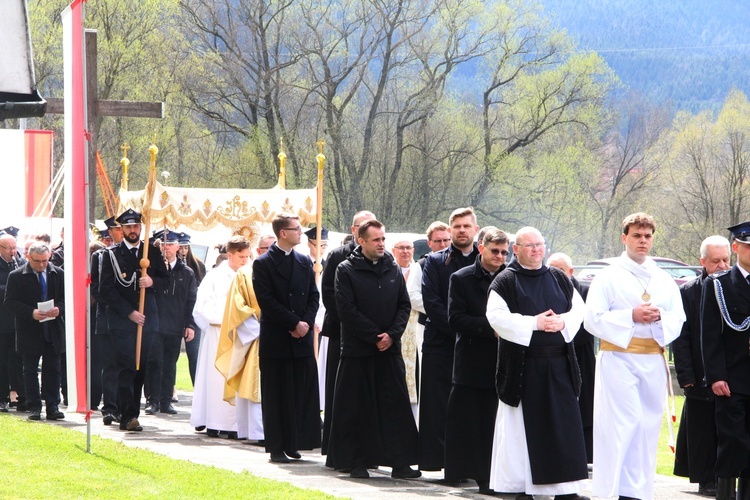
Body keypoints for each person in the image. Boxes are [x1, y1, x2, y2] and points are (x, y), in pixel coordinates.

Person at [584, 212, 685, 500]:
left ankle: (637, 491)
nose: (642, 241)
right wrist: (631, 315)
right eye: (637, 235)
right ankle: (610, 491)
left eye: (647, 236)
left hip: (652, 358)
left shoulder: (663, 278)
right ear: (624, 237)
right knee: (621, 424)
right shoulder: (608, 276)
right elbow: (592, 318)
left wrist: (658, 319)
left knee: (646, 425)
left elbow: (678, 318)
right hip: (618, 358)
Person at [486, 227, 588, 499]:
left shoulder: (559, 277)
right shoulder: (505, 281)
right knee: (523, 433)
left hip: (559, 367)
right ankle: (524, 488)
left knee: (562, 429)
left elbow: (579, 310)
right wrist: (534, 323)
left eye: (539, 244)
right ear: (516, 249)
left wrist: (562, 321)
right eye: (528, 245)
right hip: (524, 368)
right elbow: (496, 317)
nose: (535, 249)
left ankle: (565, 489)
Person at [327, 219, 420, 479]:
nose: (381, 244)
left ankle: (400, 463)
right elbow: (346, 310)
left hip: (389, 350)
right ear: (362, 241)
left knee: (395, 406)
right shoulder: (346, 269)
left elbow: (404, 305)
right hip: (359, 350)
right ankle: (357, 461)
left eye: (383, 239)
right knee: (357, 408)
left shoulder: (392, 268)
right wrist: (374, 336)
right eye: (376, 240)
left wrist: (391, 335)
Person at [252, 213, 320, 463]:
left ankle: (296, 441)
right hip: (278, 339)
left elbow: (314, 296)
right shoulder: (263, 263)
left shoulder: (303, 262)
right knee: (277, 395)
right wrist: (293, 323)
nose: (301, 233)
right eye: (297, 229)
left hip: (301, 338)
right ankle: (277, 446)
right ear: (283, 233)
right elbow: (267, 301)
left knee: (299, 394)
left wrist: (305, 323)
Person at [445, 228, 509, 494]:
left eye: (505, 252)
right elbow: (455, 318)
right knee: (474, 422)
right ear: (480, 247)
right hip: (473, 358)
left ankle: (499, 474)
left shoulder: (511, 278)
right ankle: (477, 474)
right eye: (495, 251)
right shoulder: (461, 278)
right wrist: (491, 327)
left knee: (498, 421)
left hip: (504, 359)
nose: (500, 256)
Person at [419, 207, 479, 474]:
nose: (462, 231)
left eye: (467, 226)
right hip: (441, 344)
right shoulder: (434, 262)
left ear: (476, 229)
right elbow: (431, 302)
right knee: (438, 405)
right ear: (450, 230)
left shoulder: (487, 258)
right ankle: (439, 461)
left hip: (478, 345)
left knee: (473, 408)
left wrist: (475, 332)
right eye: (457, 227)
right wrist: (459, 330)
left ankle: (471, 463)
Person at [98, 209, 169, 432]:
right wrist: (129, 312)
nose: (132, 230)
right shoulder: (111, 255)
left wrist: (152, 282)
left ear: (140, 228)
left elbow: (166, 281)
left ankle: (130, 413)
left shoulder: (151, 253)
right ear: (121, 230)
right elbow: (106, 290)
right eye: (127, 227)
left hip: (147, 320)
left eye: (136, 226)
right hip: (122, 321)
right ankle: (127, 415)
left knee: (140, 368)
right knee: (126, 368)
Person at [671, 235, 730, 497]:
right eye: (715, 261)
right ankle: (706, 479)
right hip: (698, 371)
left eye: (726, 260)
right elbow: (680, 337)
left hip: (731, 372)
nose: (722, 266)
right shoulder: (688, 292)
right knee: (702, 431)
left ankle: (727, 477)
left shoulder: (737, 287)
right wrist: (685, 375)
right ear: (702, 261)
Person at [319, 210, 376, 456]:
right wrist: (352, 324)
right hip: (342, 332)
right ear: (354, 231)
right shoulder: (337, 257)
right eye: (362, 225)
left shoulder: (380, 256)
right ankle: (336, 449)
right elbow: (331, 296)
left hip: (371, 336)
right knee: (340, 392)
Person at [701, 222, 750, 500]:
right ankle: (725, 495)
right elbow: (709, 334)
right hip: (731, 377)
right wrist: (716, 375)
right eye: (748, 247)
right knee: (732, 442)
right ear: (737, 248)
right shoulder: (719, 284)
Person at [191, 235, 252, 439]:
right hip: (219, 333)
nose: (245, 260)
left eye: (247, 256)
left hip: (243, 334)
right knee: (217, 379)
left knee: (236, 377)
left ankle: (238, 424)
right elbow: (201, 307)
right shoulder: (214, 277)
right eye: (241, 256)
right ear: (230, 254)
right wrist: (227, 316)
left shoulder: (249, 276)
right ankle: (215, 422)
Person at [5, 242, 65, 421]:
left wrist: (59, 309)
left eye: (45, 261)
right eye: (37, 261)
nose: (41, 265)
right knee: (30, 370)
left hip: (52, 328)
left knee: (53, 370)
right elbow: (10, 301)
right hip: (29, 329)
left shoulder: (58, 274)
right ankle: (34, 407)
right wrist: (31, 312)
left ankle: (53, 406)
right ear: (29, 257)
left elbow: (66, 298)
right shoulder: (16, 276)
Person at [547, 252, 596, 464]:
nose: (556, 275)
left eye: (560, 270)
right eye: (552, 270)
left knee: (584, 406)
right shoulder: (546, 290)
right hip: (554, 357)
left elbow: (588, 326)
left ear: (571, 272)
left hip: (580, 355)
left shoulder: (585, 291)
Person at [145, 230, 197, 415]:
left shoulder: (187, 272)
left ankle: (166, 400)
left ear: (177, 247)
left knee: (170, 364)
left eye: (170, 244)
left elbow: (190, 301)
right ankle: (153, 400)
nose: (166, 248)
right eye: (163, 244)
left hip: (175, 325)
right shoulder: (151, 269)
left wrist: (189, 325)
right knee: (154, 362)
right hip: (155, 323)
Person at [90, 215, 124, 424]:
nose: (120, 232)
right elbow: (97, 288)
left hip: (129, 321)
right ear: (110, 232)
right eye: (117, 229)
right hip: (109, 318)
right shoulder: (101, 256)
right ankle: (110, 407)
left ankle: (124, 407)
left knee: (126, 367)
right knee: (109, 366)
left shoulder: (135, 255)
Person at [392, 238, 419, 418]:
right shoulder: (389, 271)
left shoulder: (418, 270)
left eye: (408, 248)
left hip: (415, 327)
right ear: (393, 251)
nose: (405, 251)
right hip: (395, 326)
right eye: (401, 248)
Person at [0, 232, 26, 413]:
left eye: (15, 248)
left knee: (18, 361)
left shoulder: (21, 263)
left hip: (19, 321)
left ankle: (22, 396)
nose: (13, 251)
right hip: (2, 321)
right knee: (2, 360)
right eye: (9, 248)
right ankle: (2, 397)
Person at [176, 231, 205, 389]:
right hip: (175, 313)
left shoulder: (197, 264)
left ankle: (198, 390)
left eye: (186, 247)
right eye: (181, 247)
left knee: (194, 355)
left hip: (193, 314)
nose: (183, 251)